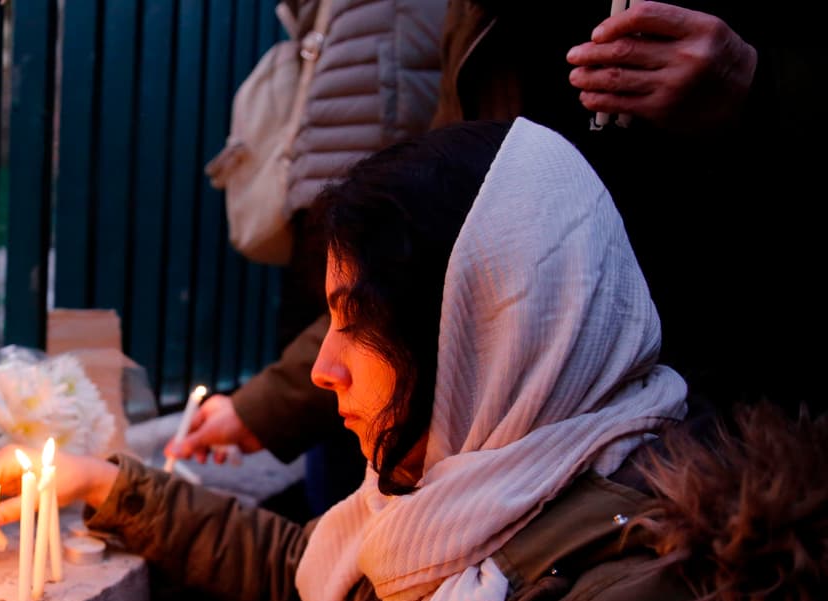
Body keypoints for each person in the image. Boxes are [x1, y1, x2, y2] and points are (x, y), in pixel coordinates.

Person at [0, 118, 826, 601]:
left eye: (359, 321)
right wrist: (107, 483)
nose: (324, 368)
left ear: (479, 326)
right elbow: (309, 567)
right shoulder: (476, 497)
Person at [174, 1, 824, 480]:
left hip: (736, 410)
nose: (327, 369)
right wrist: (260, 409)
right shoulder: (478, 23)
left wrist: (756, 88)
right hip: (527, 438)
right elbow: (424, 240)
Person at [188, 0, 447, 517]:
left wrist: (262, 410)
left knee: (349, 495)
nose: (325, 371)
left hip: (376, 217)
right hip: (334, 214)